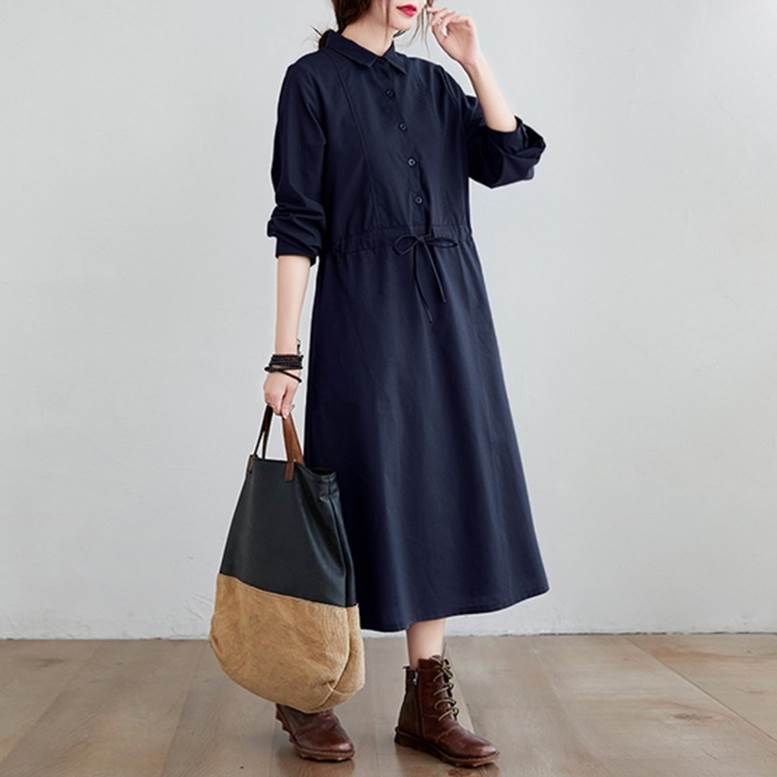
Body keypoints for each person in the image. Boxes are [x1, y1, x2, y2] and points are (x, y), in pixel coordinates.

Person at [262, 0, 550, 767]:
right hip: (364, 314)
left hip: (453, 314)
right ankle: (305, 686)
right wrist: (285, 354)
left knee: (440, 486)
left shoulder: (432, 84)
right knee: (347, 492)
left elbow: (509, 161)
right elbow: (297, 221)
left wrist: (473, 61)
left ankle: (425, 697)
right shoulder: (312, 82)